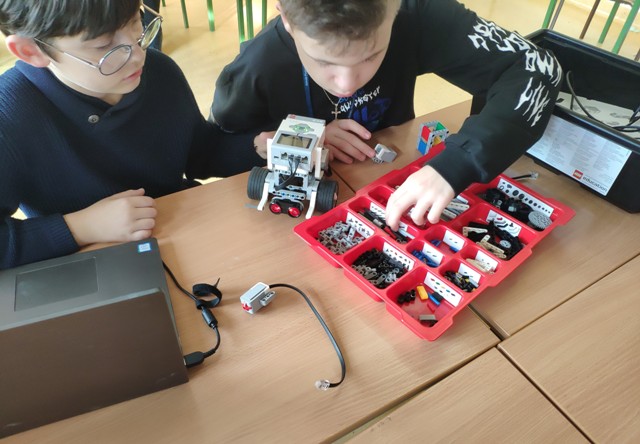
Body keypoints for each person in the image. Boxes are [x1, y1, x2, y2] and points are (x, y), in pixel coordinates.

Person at [210, 0, 562, 230]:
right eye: (323, 61)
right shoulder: (256, 67)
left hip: (387, 172)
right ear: (286, 18)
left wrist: (457, 164)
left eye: (370, 55)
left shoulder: (416, 15)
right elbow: (212, 152)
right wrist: (289, 137)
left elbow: (538, 67)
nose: (347, 83)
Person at [0, 0, 262, 270]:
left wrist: (256, 147)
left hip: (182, 231)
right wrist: (81, 227)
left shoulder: (159, 71)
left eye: (136, 23)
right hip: (93, 263)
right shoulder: (9, 114)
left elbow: (201, 154)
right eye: (104, 46)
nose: (137, 55)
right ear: (30, 51)